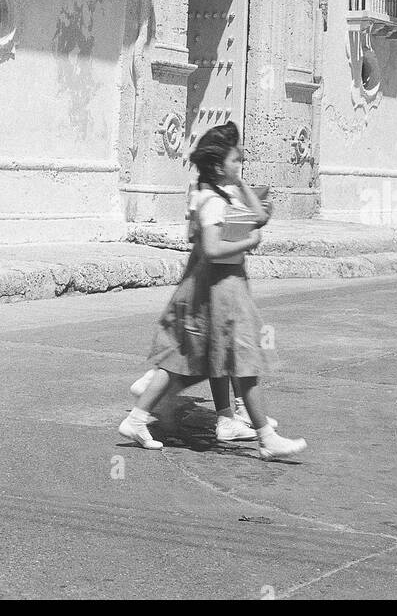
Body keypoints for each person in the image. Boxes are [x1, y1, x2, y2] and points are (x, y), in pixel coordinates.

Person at [119, 125, 306, 460]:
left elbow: (259, 216)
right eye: (237, 159)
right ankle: (263, 435)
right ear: (220, 164)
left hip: (229, 287)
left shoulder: (224, 194)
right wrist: (249, 242)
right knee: (241, 362)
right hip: (222, 289)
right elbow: (212, 249)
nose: (242, 164)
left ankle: (142, 414)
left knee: (194, 361)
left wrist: (238, 181)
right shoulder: (210, 201)